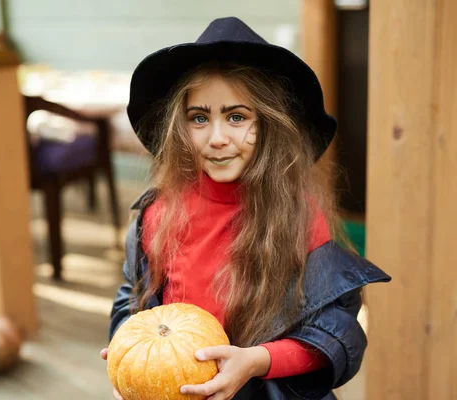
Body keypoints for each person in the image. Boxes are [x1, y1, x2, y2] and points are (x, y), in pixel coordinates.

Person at [100, 17, 390, 400]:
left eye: (236, 117)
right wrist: (132, 358)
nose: (218, 138)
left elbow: (335, 330)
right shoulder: (158, 214)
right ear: (180, 127)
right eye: (199, 118)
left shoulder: (298, 218)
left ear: (268, 125)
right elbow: (131, 296)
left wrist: (257, 360)